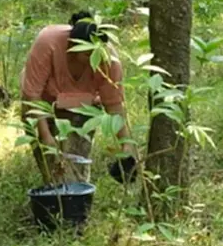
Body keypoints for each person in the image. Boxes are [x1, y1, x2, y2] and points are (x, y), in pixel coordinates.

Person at [20, 11, 137, 184]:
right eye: (87, 54)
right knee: (51, 164)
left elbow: (114, 105)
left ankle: (76, 199)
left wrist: (126, 144)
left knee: (75, 163)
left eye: (95, 53)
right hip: (42, 105)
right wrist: (46, 136)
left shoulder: (109, 61)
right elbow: (32, 95)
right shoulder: (48, 42)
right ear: (73, 46)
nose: (92, 59)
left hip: (83, 107)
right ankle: (55, 197)